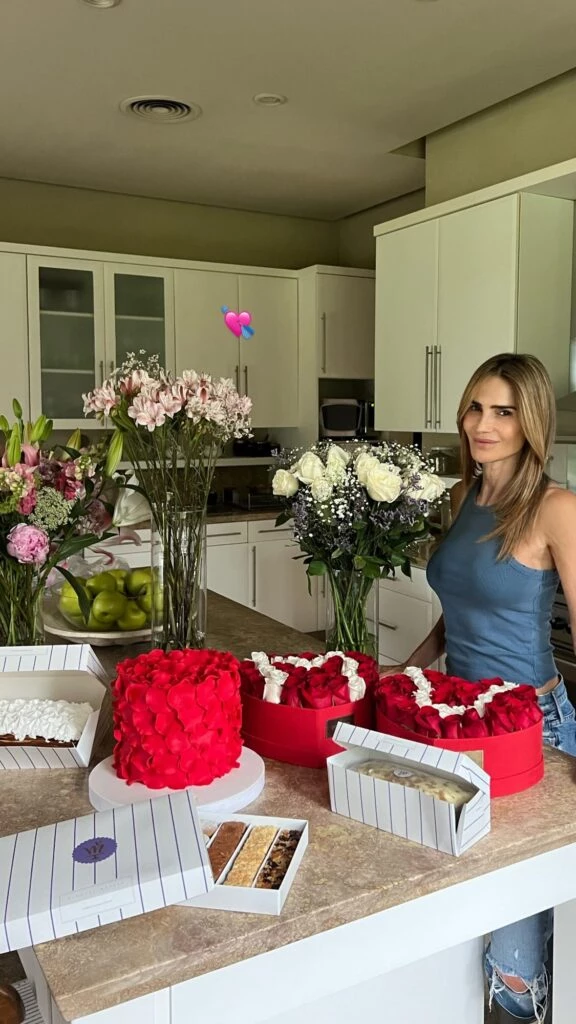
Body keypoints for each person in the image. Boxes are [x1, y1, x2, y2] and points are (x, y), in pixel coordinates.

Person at [381, 353, 576, 1023]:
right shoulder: (465, 498)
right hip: (455, 720)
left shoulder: (557, 508)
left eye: (503, 412)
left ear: (531, 424)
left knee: (515, 916)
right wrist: (408, 669)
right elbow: (463, 602)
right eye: (475, 408)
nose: (482, 425)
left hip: (532, 730)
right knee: (460, 890)